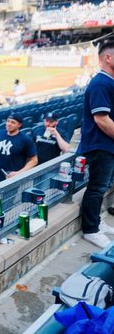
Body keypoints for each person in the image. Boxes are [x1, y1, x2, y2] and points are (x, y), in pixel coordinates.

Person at [78, 32, 114, 248]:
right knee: (97, 187)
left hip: (106, 144)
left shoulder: (107, 82)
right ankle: (90, 229)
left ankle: (97, 223)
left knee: (102, 186)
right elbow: (102, 120)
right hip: (100, 145)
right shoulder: (101, 83)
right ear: (107, 58)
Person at [0, 113, 38, 183]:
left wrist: (19, 173)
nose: (9, 124)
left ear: (19, 125)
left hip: (13, 179)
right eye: (8, 121)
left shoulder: (26, 139)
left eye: (13, 122)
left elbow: (34, 160)